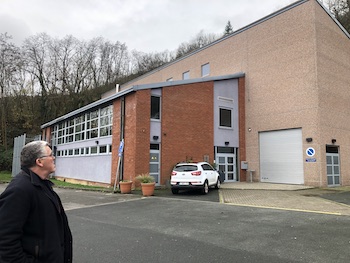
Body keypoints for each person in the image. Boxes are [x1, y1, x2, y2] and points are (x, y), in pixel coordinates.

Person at [0, 141, 72, 263]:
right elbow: (6, 242)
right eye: (50, 155)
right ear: (39, 162)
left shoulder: (43, 186)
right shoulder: (19, 190)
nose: (54, 158)